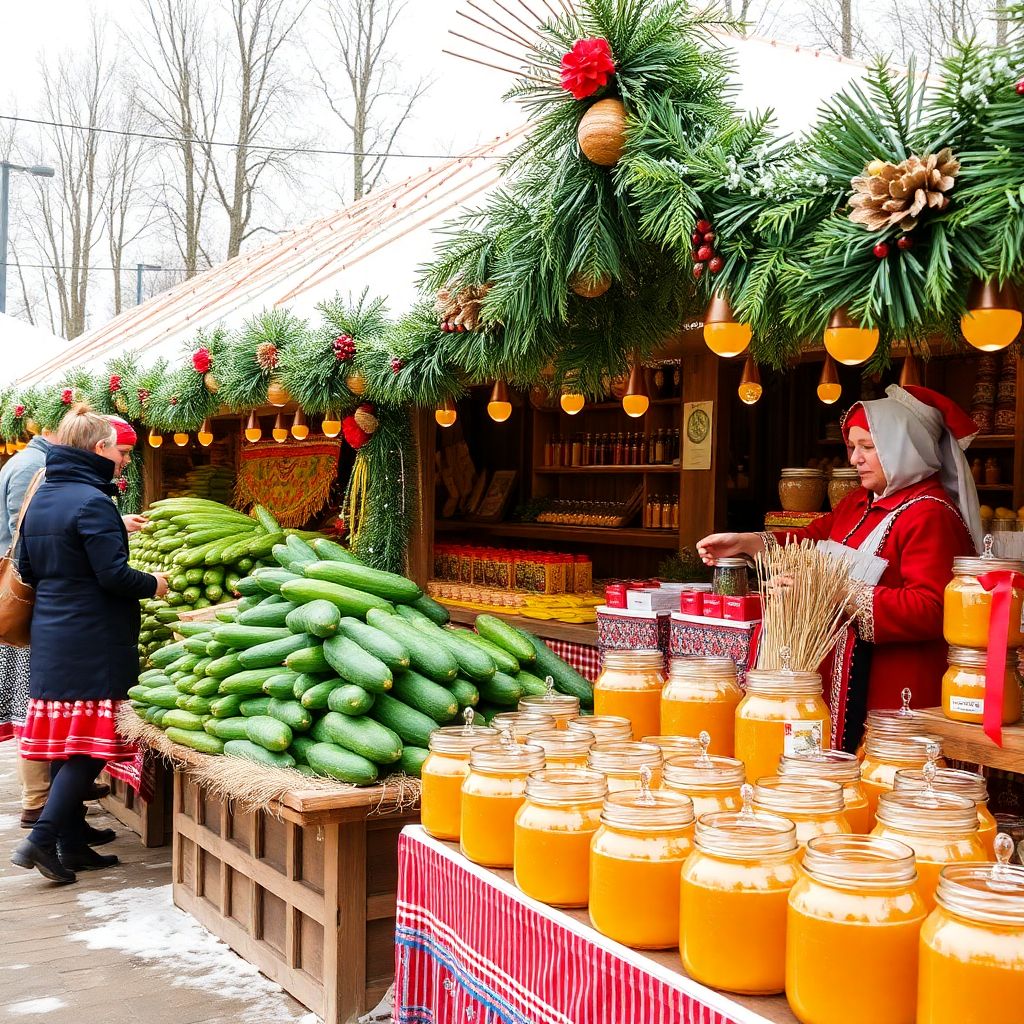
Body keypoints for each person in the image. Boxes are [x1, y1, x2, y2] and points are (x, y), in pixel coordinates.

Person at [698, 384, 981, 751]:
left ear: (903, 448)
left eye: (867, 447)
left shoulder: (930, 514)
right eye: (852, 447)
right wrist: (748, 542)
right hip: (844, 680)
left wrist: (836, 592)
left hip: (896, 693)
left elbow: (933, 608)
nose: (855, 459)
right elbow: (811, 540)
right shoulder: (858, 502)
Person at [11, 406, 166, 884]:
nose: (123, 460)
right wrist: (154, 583)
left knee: (66, 745)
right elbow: (113, 576)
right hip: (93, 638)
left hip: (54, 635)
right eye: (119, 451)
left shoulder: (44, 495)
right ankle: (41, 839)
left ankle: (72, 844)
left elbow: (30, 569)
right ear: (98, 449)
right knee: (90, 749)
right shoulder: (92, 500)